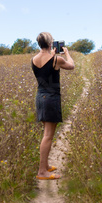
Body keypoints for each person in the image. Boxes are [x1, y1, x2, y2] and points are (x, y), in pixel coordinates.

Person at [31, 32, 75, 180]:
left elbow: (44, 69)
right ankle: (42, 171)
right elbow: (72, 66)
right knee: (48, 136)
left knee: (46, 133)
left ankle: (46, 165)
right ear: (51, 43)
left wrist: (51, 53)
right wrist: (67, 53)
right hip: (51, 98)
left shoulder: (34, 59)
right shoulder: (57, 59)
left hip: (40, 97)